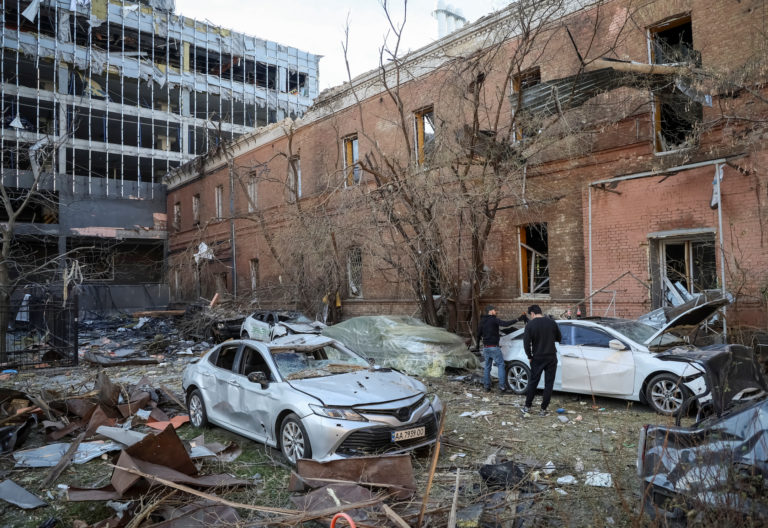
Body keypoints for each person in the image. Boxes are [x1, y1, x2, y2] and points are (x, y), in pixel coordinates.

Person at [522, 304, 562, 416]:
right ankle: (543, 409)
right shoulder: (552, 322)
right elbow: (559, 338)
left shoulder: (530, 325)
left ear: (533, 314)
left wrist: (529, 356)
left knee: (533, 382)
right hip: (551, 357)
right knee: (549, 384)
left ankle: (527, 407)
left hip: (537, 357)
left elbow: (526, 344)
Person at [477, 305, 527, 394]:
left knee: (487, 367)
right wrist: (518, 319)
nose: (496, 312)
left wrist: (477, 346)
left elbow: (478, 334)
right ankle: (502, 387)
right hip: (494, 347)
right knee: (501, 365)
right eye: (495, 310)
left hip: (486, 348)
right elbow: (505, 324)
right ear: (491, 311)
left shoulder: (482, 321)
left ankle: (487, 386)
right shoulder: (494, 319)